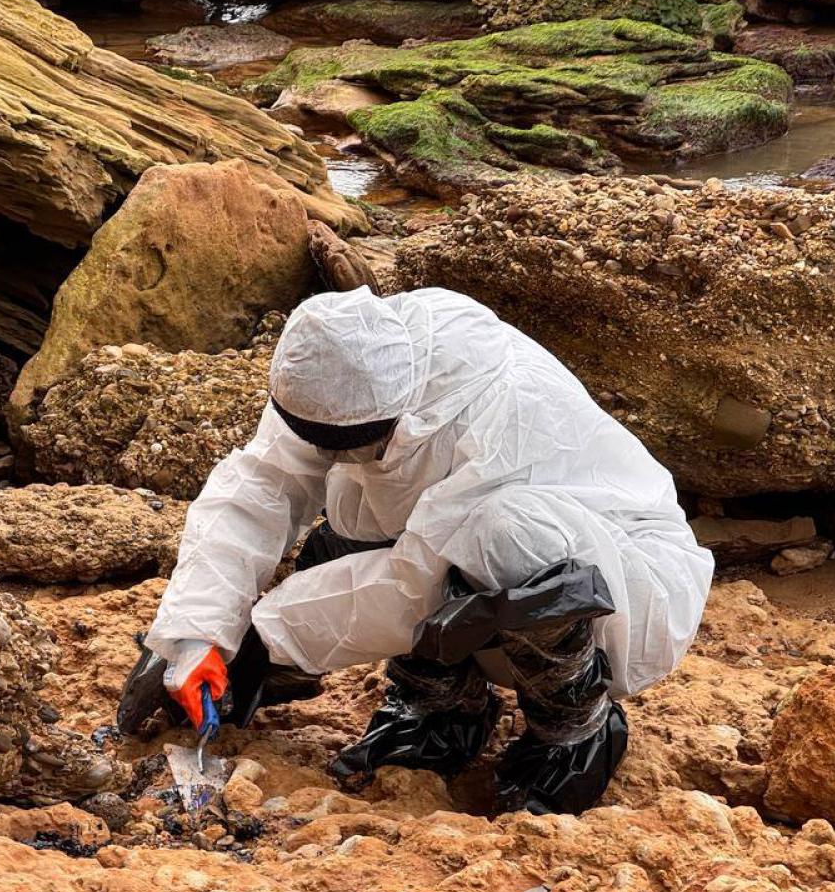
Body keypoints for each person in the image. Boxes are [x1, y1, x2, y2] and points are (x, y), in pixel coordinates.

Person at [121, 286, 713, 814]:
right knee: (356, 498)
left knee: (504, 534)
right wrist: (196, 634)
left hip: (625, 583)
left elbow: (413, 585)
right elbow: (260, 485)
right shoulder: (348, 365)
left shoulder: (500, 409)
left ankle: (575, 728)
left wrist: (259, 643)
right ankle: (442, 712)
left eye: (349, 441)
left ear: (395, 412)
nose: (336, 450)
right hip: (478, 563)